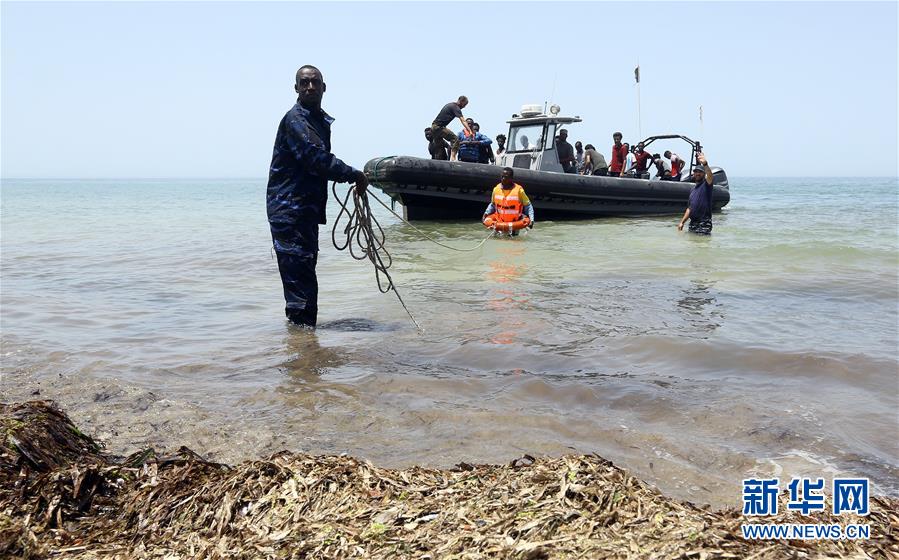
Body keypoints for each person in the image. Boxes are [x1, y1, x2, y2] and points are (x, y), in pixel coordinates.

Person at [266, 65, 368, 328]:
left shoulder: (315, 119)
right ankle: (302, 352)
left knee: (306, 278)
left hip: (305, 212)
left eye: (314, 82)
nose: (310, 87)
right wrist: (353, 174)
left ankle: (305, 348)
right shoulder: (296, 120)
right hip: (289, 212)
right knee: (299, 286)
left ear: (324, 87)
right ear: (296, 88)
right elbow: (314, 158)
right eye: (304, 83)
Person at [677, 153, 715, 234]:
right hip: (693, 223)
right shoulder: (693, 190)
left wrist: (705, 164)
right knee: (692, 244)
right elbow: (689, 208)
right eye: (696, 172)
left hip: (704, 222)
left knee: (702, 245)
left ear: (704, 174)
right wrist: (682, 222)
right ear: (693, 174)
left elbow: (710, 176)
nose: (697, 174)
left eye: (700, 172)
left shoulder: (706, 185)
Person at [431, 96, 473, 161]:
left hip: (434, 128)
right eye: (464, 105)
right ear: (461, 101)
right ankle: (453, 158)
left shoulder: (450, 105)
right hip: (438, 127)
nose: (464, 107)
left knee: (439, 146)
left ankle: (438, 161)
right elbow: (463, 120)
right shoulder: (456, 107)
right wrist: (470, 131)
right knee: (455, 139)